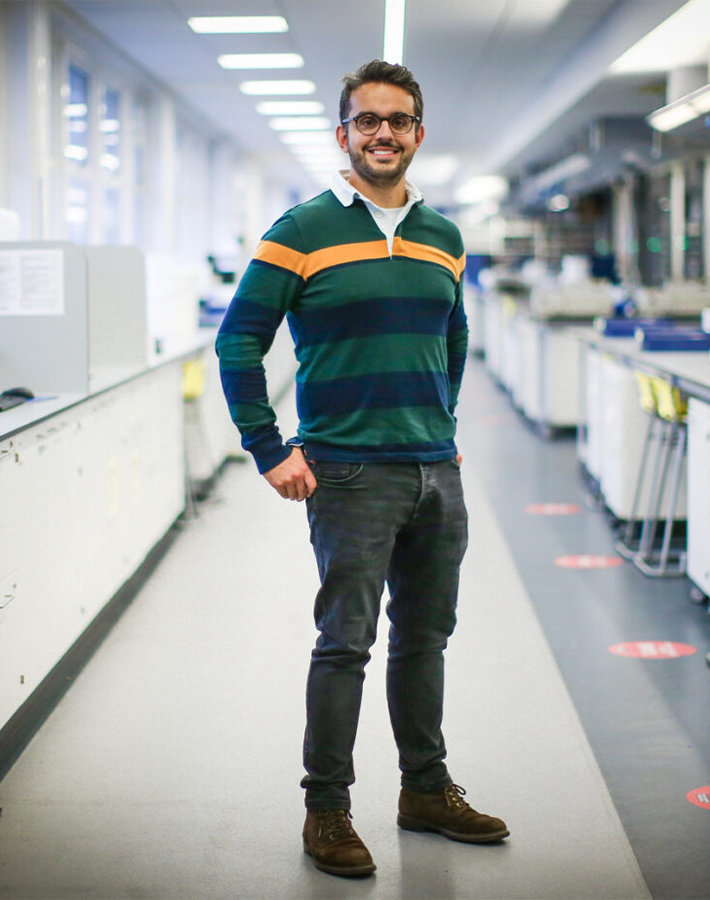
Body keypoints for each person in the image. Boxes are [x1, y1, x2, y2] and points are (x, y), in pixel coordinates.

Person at [215, 59, 508, 878]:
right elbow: (240, 340)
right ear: (342, 134)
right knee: (344, 643)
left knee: (426, 639)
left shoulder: (444, 235)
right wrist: (269, 448)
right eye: (368, 120)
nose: (385, 133)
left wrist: (438, 424)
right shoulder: (300, 230)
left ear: (419, 132)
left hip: (434, 471)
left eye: (400, 120)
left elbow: (453, 338)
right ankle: (327, 810)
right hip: (347, 474)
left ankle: (425, 789)